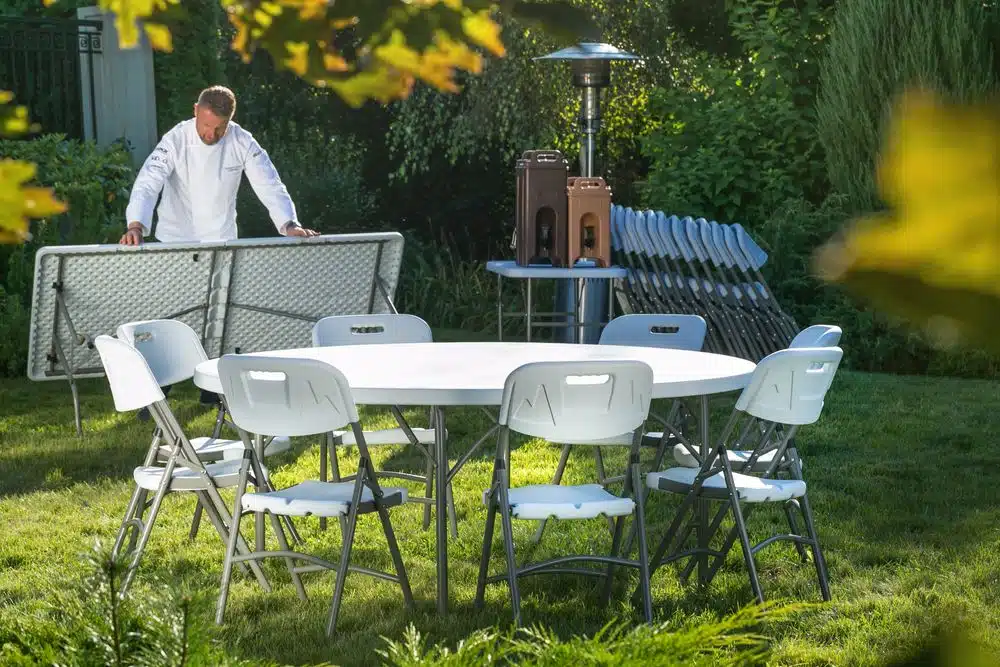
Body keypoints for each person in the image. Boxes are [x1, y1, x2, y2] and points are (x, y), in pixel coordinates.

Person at [120, 85, 319, 415]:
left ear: (230, 121)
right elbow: (148, 182)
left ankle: (213, 389)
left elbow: (269, 183)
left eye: (219, 129)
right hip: (174, 240)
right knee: (169, 318)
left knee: (220, 316)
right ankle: (158, 390)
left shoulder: (243, 142)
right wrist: (136, 225)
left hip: (221, 239)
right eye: (206, 126)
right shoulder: (175, 139)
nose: (211, 135)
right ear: (195, 111)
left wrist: (288, 224)